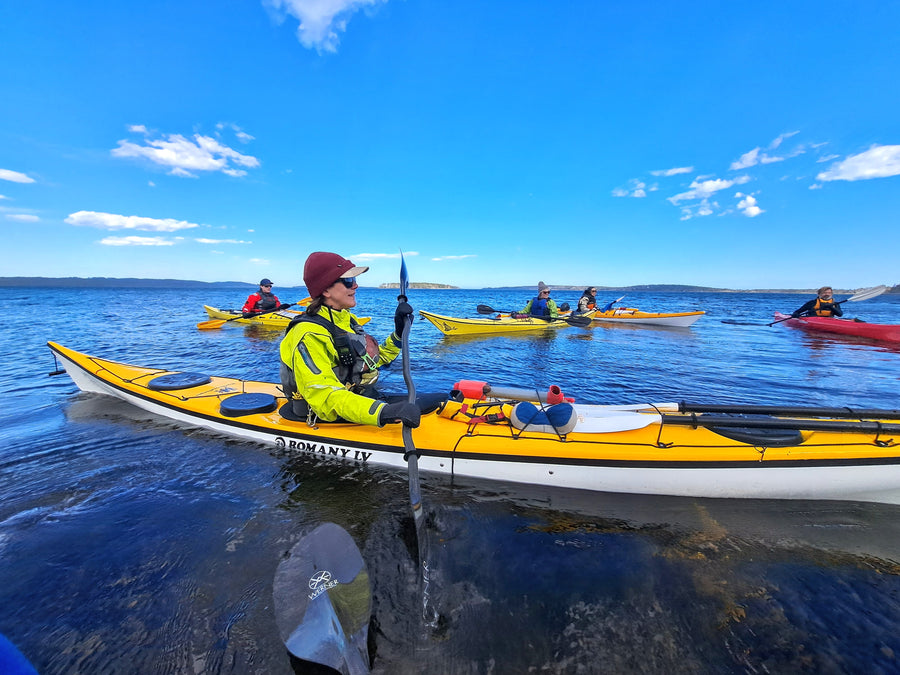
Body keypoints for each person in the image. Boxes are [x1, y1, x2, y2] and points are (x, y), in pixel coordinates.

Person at [278, 251, 419, 428]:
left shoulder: (346, 320)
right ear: (325, 290)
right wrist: (382, 413)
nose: (356, 286)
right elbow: (324, 395)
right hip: (326, 416)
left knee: (442, 400)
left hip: (360, 400)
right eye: (348, 281)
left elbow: (372, 361)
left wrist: (399, 333)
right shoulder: (309, 334)